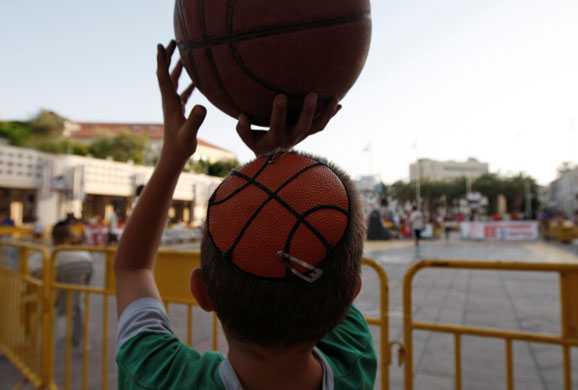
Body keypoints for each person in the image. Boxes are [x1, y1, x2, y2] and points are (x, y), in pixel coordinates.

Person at [114, 41, 376, 390]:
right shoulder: (353, 359)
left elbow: (132, 268)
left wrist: (172, 156)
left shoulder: (157, 379)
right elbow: (132, 270)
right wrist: (276, 162)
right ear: (350, 296)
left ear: (202, 291)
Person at [28, 220, 94, 345]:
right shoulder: (84, 255)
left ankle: (46, 341)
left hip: (53, 296)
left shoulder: (45, 254)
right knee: (79, 304)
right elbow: (89, 274)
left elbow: (31, 269)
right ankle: (79, 339)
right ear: (70, 236)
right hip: (76, 295)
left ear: (52, 236)